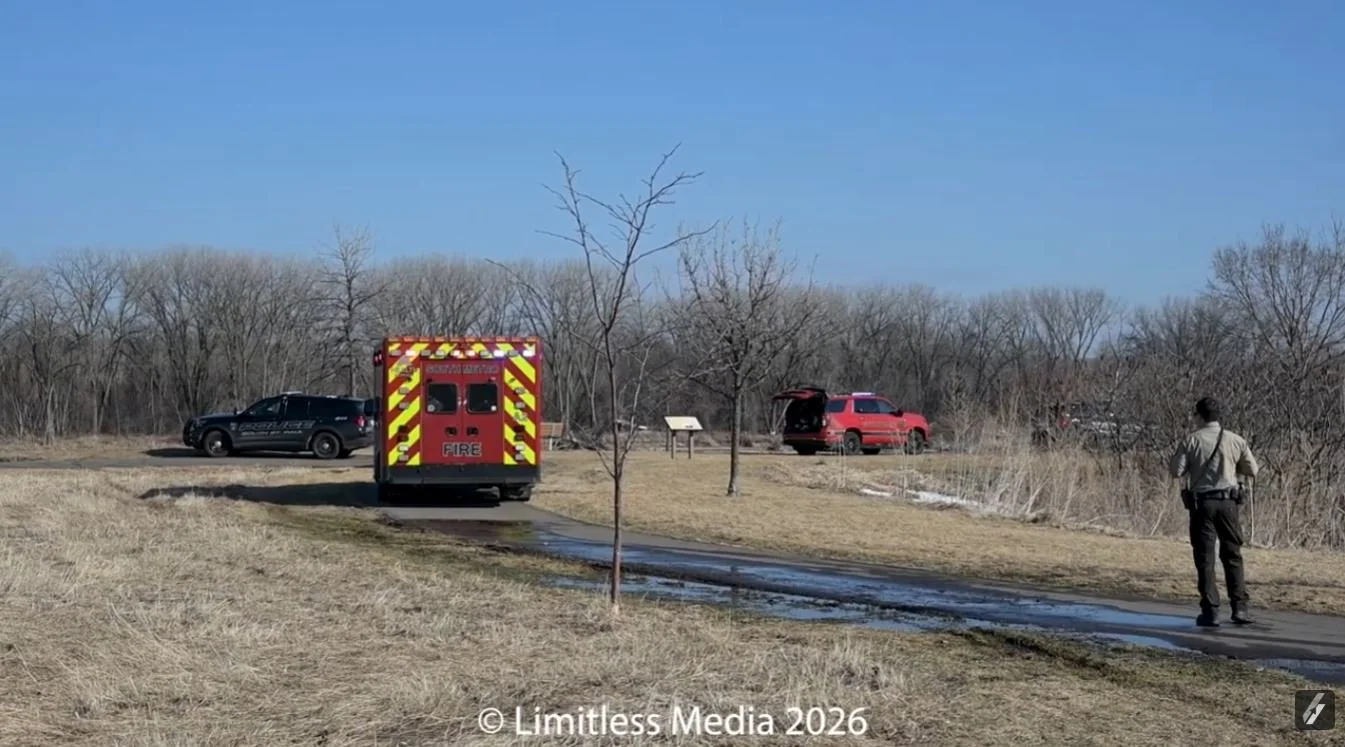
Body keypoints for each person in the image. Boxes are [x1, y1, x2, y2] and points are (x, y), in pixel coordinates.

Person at [1169, 396, 1259, 627]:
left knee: (1205, 558)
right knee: (1233, 555)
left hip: (1202, 504)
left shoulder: (1191, 440)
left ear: (1199, 416)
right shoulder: (1236, 440)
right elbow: (1253, 469)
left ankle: (1211, 611)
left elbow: (1176, 471)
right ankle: (1240, 608)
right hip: (1228, 503)